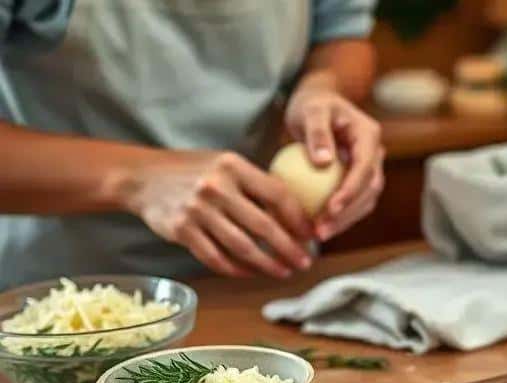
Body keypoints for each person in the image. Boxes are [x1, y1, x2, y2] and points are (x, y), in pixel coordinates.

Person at [0, 0, 384, 288]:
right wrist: (137, 178)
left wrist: (325, 86)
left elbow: (341, 33)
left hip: (262, 287)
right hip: (60, 303)